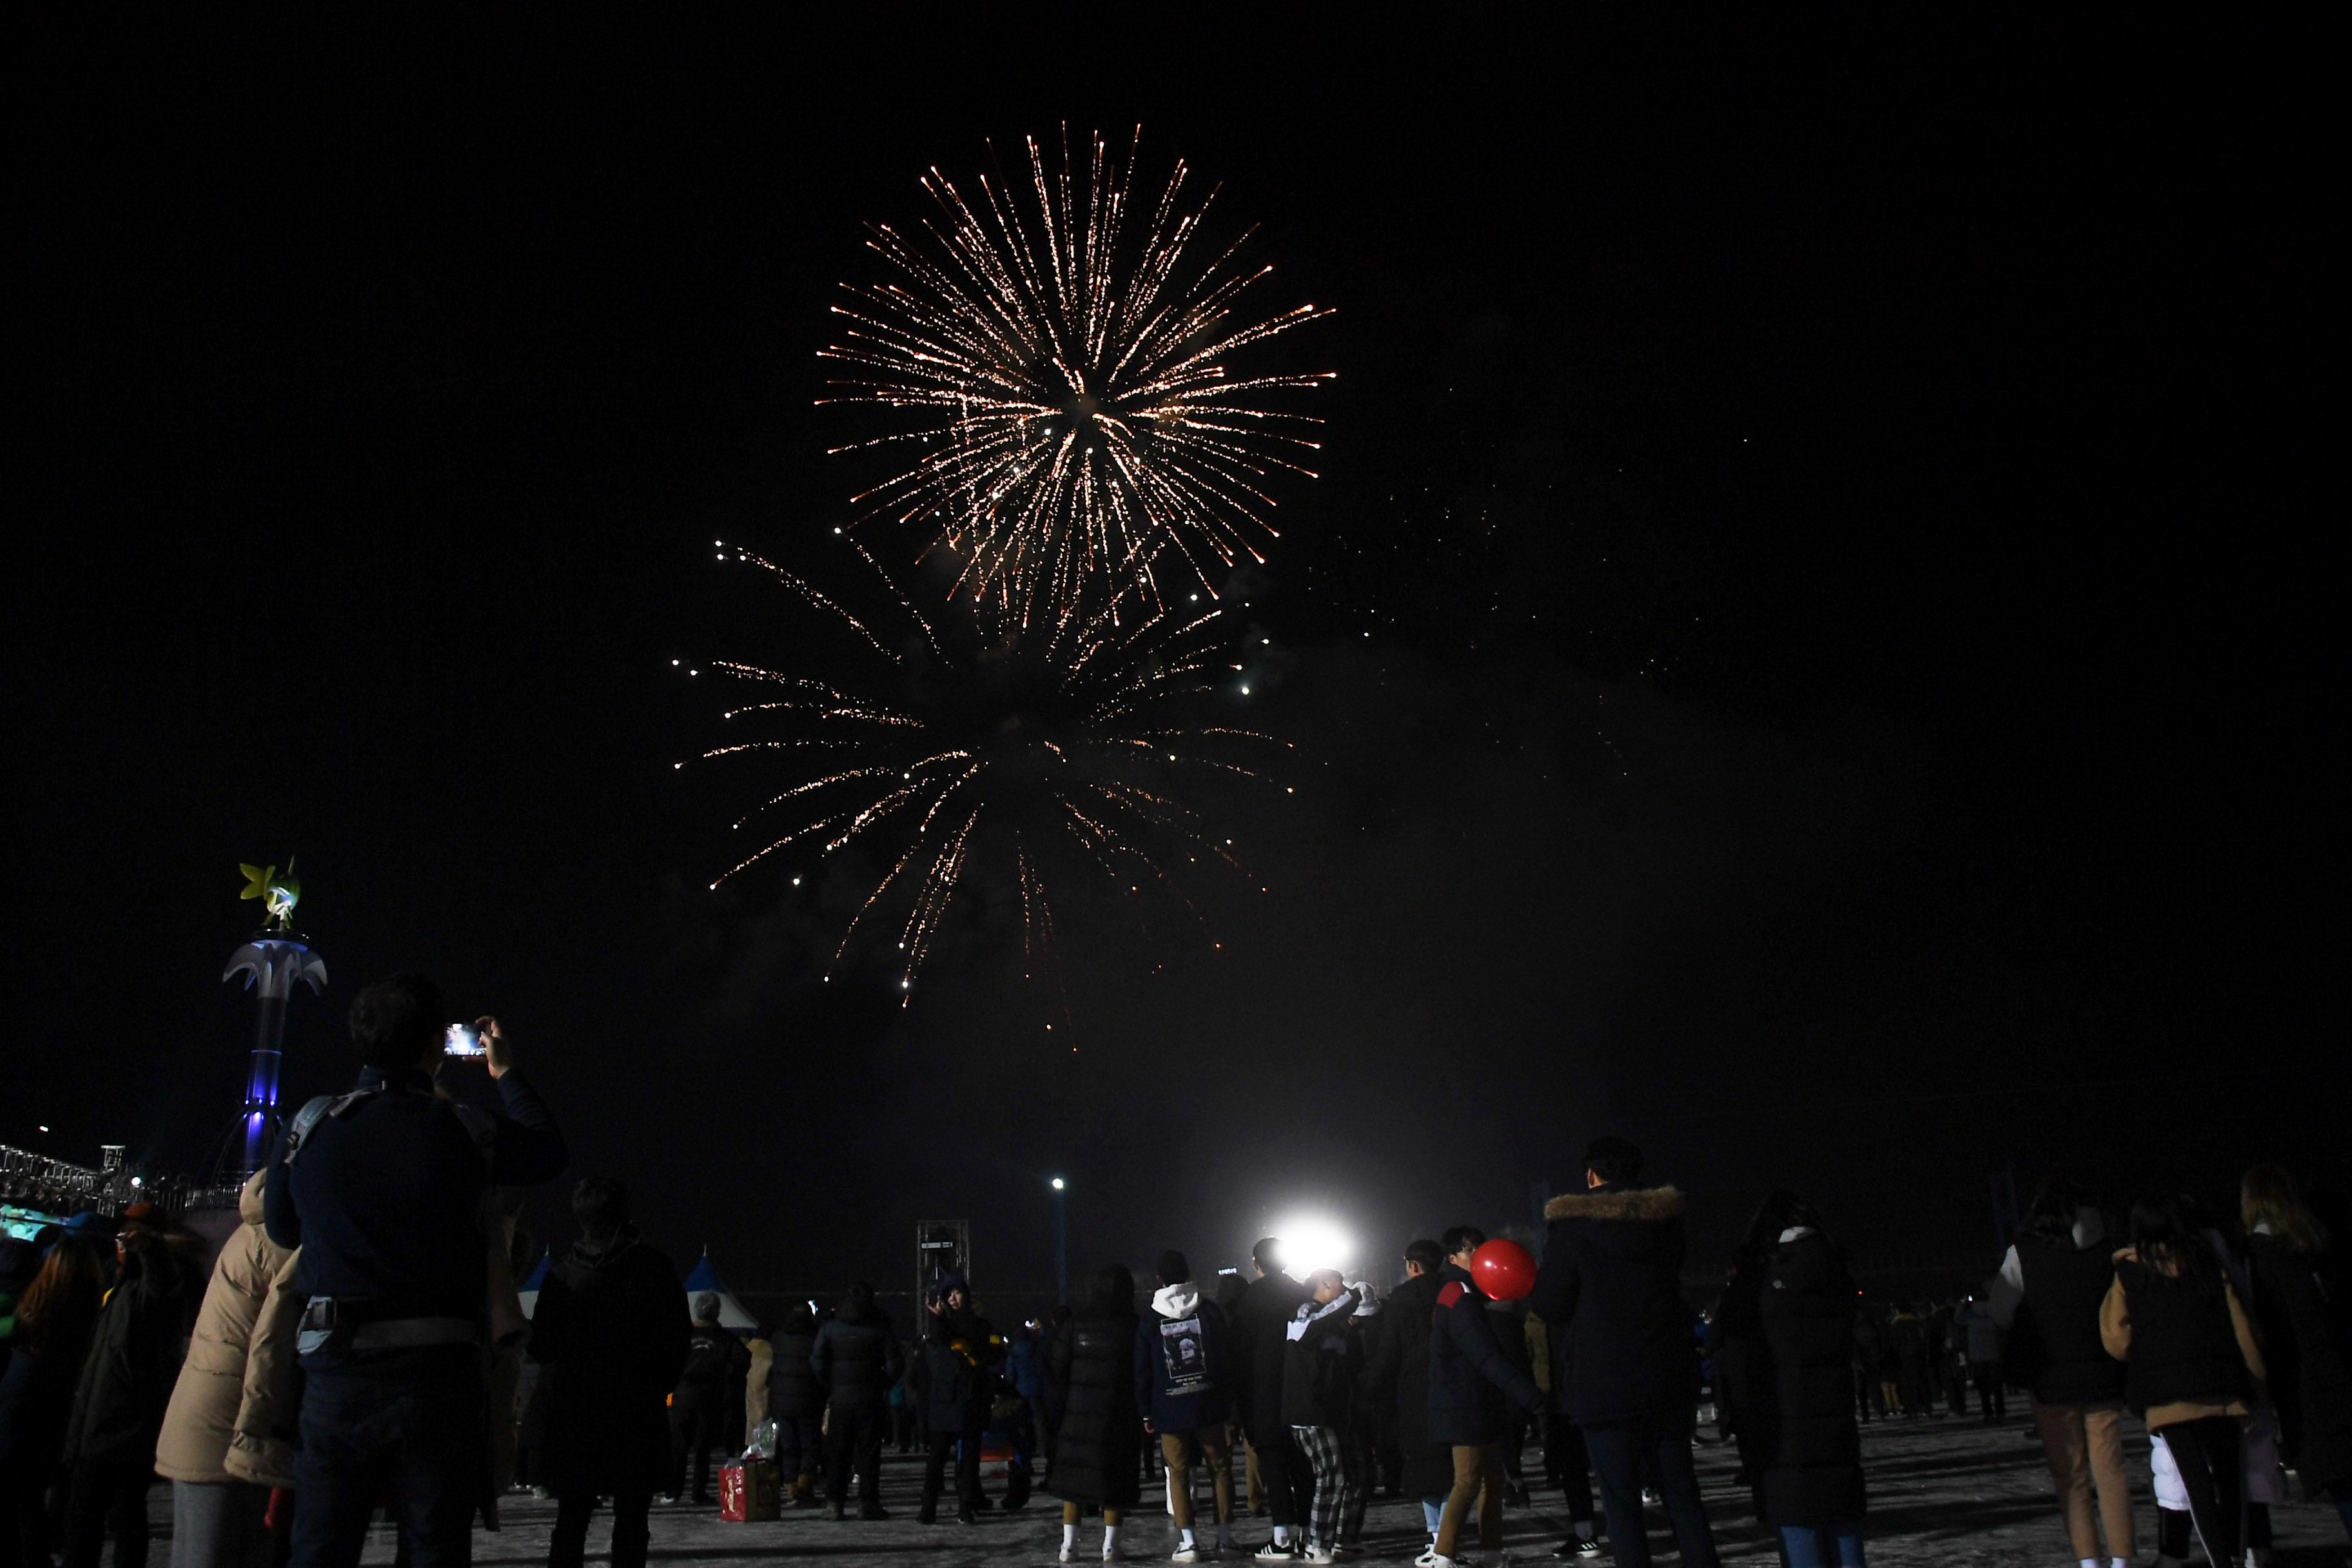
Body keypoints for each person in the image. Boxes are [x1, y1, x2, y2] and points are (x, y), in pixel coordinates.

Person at [262, 974, 567, 1568]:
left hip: (336, 1371)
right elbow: (547, 1151)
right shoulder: (465, 1130)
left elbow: (282, 1229)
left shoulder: (310, 1126)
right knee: (433, 1547)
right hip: (439, 1376)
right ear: (434, 1047)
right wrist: (504, 1072)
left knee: (321, 1548)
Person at [1529, 1137, 1721, 1568]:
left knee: (1621, 1503)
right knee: (1682, 1492)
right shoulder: (1665, 1224)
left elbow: (1549, 1303)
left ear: (1593, 1176)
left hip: (1604, 1382)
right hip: (1666, 1373)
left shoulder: (1573, 1228)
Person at [526, 1178, 690, 1568]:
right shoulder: (653, 1269)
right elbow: (677, 1340)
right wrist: (657, 1384)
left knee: (571, 1520)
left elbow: (541, 1347)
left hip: (575, 1413)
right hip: (636, 1410)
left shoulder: (562, 1275)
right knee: (633, 1521)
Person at [2102, 1195, 2267, 1568]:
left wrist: (2150, 1352)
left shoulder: (2129, 1273)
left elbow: (2115, 1337)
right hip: (2220, 1388)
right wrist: (2256, 1380)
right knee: (2230, 1482)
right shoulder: (2207, 1263)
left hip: (2167, 1398)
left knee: (2197, 1488)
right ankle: (2238, 1559)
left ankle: (2220, 1562)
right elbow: (2242, 1325)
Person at [153, 1170, 295, 1568]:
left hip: (205, 1421)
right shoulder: (287, 1240)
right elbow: (275, 1346)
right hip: (234, 1430)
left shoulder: (260, 1228)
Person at [1992, 1177, 2135, 1568]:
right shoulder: (2106, 1249)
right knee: (2111, 1468)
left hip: (2049, 1375)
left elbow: (2000, 1311)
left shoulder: (2023, 1253)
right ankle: (2122, 1556)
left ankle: (2089, 1558)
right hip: (2103, 1372)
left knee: (2069, 1474)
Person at [61, 1213, 206, 1568]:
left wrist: (151, 1249)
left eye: (128, 1241)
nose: (121, 1247)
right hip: (101, 1421)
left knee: (115, 1519)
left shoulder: (152, 1290)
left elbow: (164, 1282)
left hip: (123, 1425)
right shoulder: (122, 1289)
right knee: (96, 1520)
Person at [1745, 1193, 1868, 1568]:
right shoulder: (1835, 1269)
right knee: (1842, 1519)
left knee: (1799, 1523)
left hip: (1783, 1414)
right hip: (1835, 1408)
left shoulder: (1768, 1279)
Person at [2239, 1164, 2352, 1540]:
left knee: (2338, 1474)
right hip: (2336, 1371)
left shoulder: (2261, 1256)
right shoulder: (2317, 1243)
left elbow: (2275, 1332)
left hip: (2307, 1387)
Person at [1427, 1226, 1544, 1568]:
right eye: (1469, 1249)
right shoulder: (1456, 1295)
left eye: (1479, 1245)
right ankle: (1444, 1554)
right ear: (1453, 1258)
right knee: (1467, 1480)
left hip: (1480, 1402)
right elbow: (1484, 1355)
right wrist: (1530, 1397)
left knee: (1493, 1479)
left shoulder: (1473, 1294)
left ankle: (1491, 1552)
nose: (1478, 1253)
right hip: (1463, 1404)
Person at [1, 1235, 107, 1568]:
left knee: (17, 1498)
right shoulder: (94, 1309)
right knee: (30, 1498)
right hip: (58, 1410)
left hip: (20, 1405)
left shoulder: (38, 1303)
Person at [1136, 1251, 1237, 1562]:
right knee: (1219, 1470)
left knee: (1177, 1474)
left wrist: (1146, 1410)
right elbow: (1225, 1356)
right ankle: (1224, 1537)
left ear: (1160, 1279)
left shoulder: (1151, 1318)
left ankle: (1189, 1541)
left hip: (1168, 1408)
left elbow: (1142, 1368)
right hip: (1208, 1403)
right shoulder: (1208, 1311)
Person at [1365, 1240, 1461, 1560]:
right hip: (1455, 1387)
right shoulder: (1455, 1290)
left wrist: (1371, 1389)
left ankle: (1436, 1539)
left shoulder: (1401, 1299)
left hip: (1414, 1393)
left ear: (1414, 1266)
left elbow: (1388, 1353)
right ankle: (1450, 1537)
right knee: (1453, 1467)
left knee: (1425, 1468)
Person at [1048, 1264, 1142, 1563]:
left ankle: (1069, 1546)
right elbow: (1139, 1371)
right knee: (1115, 1480)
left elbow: (1058, 1365)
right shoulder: (1132, 1325)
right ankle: (1112, 1546)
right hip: (1118, 1412)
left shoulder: (1077, 1323)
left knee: (1074, 1481)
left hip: (1079, 1412)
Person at [1230, 1239, 1310, 1558]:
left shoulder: (1251, 1298)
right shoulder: (1301, 1292)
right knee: (1304, 1465)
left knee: (1273, 1464)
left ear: (1256, 1263)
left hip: (1264, 1393)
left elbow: (1239, 1354)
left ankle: (1281, 1537)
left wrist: (1241, 1404)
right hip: (1301, 1389)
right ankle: (1308, 1532)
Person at [1282, 1270, 1364, 1563]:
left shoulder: (1335, 1322)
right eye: (1340, 1286)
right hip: (1309, 1411)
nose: (1345, 1291)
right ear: (1325, 1285)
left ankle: (1345, 1539)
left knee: (1357, 1476)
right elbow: (1308, 1330)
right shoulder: (1305, 1312)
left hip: (1336, 1410)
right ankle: (1316, 1544)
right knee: (1331, 1475)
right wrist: (1352, 1299)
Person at [811, 1280, 902, 1520]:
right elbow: (895, 1364)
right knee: (869, 1453)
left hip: (840, 1400)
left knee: (837, 1453)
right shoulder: (880, 1327)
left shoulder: (830, 1328)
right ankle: (868, 1503)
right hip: (870, 1400)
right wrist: (881, 1384)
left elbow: (817, 1361)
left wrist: (830, 1385)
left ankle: (835, 1504)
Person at [917, 1274, 1003, 1524]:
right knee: (937, 1459)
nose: (954, 1298)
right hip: (945, 1401)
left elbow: (996, 1348)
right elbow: (933, 1354)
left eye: (958, 1293)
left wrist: (977, 1354)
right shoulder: (938, 1328)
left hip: (971, 1400)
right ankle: (928, 1508)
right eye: (949, 1294)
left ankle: (966, 1507)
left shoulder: (981, 1325)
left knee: (969, 1460)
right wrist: (937, 1319)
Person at [669, 1293, 747, 1505]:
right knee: (703, 1449)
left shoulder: (682, 1335)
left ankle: (673, 1491)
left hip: (682, 1397)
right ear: (717, 1312)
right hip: (709, 1399)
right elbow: (743, 1360)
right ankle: (698, 1492)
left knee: (679, 1447)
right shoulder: (725, 1338)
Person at [762, 1302, 823, 1507]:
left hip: (781, 1403)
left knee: (789, 1447)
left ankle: (790, 1488)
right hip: (807, 1401)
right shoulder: (814, 1340)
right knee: (809, 1445)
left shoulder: (778, 1339)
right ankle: (804, 1488)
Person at [1950, 1294, 2004, 1422]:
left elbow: (1957, 1320)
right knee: (1997, 1385)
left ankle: (1988, 1411)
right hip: (1994, 1351)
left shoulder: (1970, 1314)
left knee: (1983, 1386)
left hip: (1977, 1353)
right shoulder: (1993, 1312)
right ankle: (2000, 1410)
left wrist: (1963, 1305)